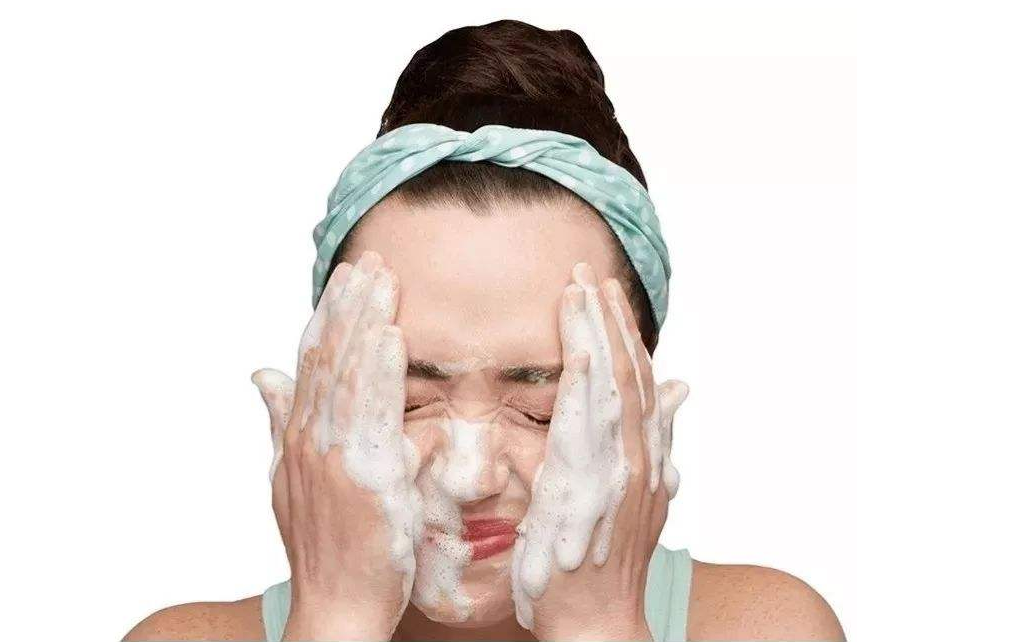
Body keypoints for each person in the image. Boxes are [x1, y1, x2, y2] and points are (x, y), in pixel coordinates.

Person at [123, 19, 845, 642]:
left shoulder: (767, 626)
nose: (468, 478)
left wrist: (596, 627)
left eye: (540, 407)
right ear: (321, 374)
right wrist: (336, 619)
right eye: (406, 400)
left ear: (640, 399)